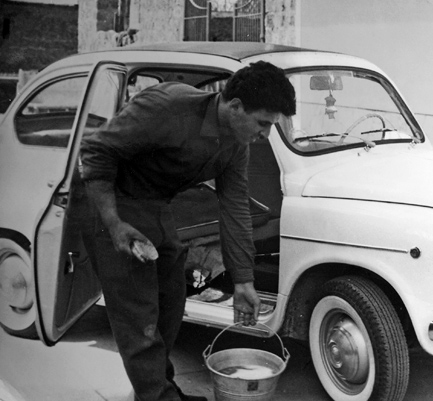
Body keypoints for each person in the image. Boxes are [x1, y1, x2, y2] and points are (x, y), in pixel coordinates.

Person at [80, 61, 296, 401]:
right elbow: (95, 151)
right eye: (263, 124)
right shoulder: (167, 108)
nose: (265, 135)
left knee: (171, 303)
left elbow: (235, 207)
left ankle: (159, 390)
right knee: (140, 318)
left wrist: (243, 281)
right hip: (110, 201)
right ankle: (160, 397)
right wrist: (113, 224)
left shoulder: (236, 145)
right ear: (236, 106)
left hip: (156, 204)